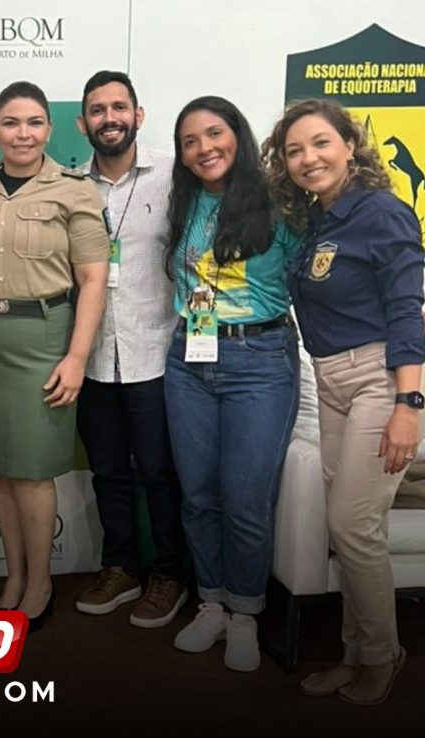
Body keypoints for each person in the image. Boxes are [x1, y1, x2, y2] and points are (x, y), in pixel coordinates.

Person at [263, 98, 423, 704]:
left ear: (350, 146)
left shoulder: (381, 212)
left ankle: (381, 656)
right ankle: (355, 653)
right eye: (294, 151)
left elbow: (407, 310)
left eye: (321, 143)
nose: (308, 158)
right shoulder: (316, 220)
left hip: (378, 379)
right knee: (357, 528)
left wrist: (409, 403)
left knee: (351, 525)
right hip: (330, 380)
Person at [0, 81, 110, 631]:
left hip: (42, 341)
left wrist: (76, 357)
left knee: (34, 473)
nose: (23, 133)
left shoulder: (75, 192)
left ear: (49, 130)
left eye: (34, 122)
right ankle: (13, 576)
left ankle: (40, 583)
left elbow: (93, 279)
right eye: (11, 123)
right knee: (1, 467)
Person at [163, 96, 302, 672]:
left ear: (237, 136)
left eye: (214, 134)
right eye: (190, 141)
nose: (204, 148)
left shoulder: (279, 201)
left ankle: (245, 612)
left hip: (260, 359)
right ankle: (212, 603)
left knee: (246, 499)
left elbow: (317, 274)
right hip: (188, 359)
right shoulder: (182, 200)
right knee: (197, 494)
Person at [71, 71, 188, 628]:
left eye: (119, 107)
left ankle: (170, 574)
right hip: (93, 357)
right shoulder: (71, 186)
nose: (109, 118)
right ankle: (119, 567)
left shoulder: (175, 176)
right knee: (108, 470)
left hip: (156, 352)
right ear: (83, 123)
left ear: (138, 115)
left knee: (161, 473)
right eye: (98, 110)